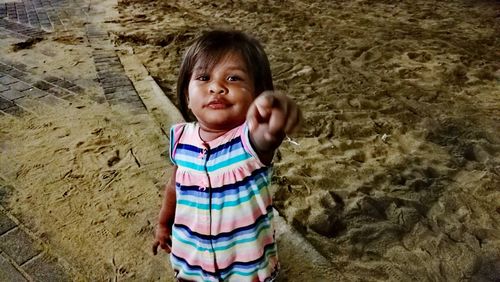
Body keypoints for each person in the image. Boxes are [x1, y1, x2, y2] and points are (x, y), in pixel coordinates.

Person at [152, 29, 302, 282]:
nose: (217, 87)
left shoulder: (250, 143)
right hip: (192, 264)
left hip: (246, 272)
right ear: (187, 96)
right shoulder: (180, 139)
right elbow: (174, 187)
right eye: (203, 77)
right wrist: (164, 225)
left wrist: (277, 112)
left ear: (255, 96)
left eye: (233, 78)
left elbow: (269, 134)